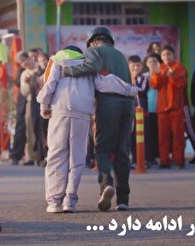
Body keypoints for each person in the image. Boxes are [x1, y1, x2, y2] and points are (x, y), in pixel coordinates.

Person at [37, 46, 137, 213]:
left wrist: (44, 106)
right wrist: (131, 90)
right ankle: (70, 200)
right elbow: (107, 83)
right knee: (77, 159)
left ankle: (54, 202)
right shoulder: (87, 66)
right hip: (82, 115)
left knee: (56, 155)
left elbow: (49, 85)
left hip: (60, 112)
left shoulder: (57, 61)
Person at [62, 26, 134, 211]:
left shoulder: (95, 51)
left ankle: (105, 185)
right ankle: (123, 199)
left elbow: (91, 67)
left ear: (93, 42)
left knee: (102, 149)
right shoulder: (120, 55)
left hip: (109, 104)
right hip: (128, 104)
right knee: (122, 151)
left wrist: (66, 71)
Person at [149, 45, 187, 169]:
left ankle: (179, 160)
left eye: (168, 54)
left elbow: (182, 84)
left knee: (178, 136)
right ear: (161, 57)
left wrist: (172, 75)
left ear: (173, 55)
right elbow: (155, 85)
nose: (166, 57)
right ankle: (164, 161)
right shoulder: (160, 68)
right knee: (163, 137)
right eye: (164, 55)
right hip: (162, 109)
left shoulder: (179, 67)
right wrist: (155, 73)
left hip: (176, 108)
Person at [16, 51, 43, 166]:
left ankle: (43, 154)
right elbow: (24, 91)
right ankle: (32, 156)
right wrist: (28, 83)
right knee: (30, 128)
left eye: (23, 61)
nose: (23, 64)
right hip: (30, 103)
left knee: (42, 129)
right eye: (21, 63)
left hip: (42, 101)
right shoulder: (24, 74)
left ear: (29, 58)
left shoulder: (40, 68)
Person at [143, 53, 161, 166]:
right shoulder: (143, 76)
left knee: (157, 135)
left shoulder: (161, 75)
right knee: (148, 135)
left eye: (154, 61)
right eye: (150, 62)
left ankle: (158, 156)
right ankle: (149, 157)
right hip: (147, 109)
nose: (152, 64)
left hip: (159, 109)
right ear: (146, 63)